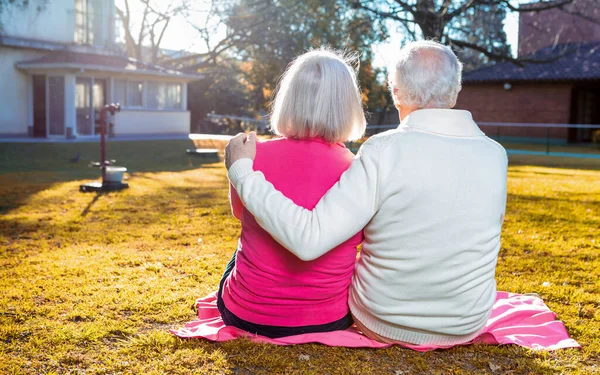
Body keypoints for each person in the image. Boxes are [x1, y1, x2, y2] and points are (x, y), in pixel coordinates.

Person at [225, 40, 508, 346]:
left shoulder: (382, 151)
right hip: (467, 323)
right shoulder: (496, 154)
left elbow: (308, 240)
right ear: (455, 92)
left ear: (396, 92)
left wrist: (241, 171)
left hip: (383, 320)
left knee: (247, 250)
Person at [217, 49, 366, 338]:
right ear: (348, 106)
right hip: (329, 318)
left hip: (246, 315)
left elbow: (241, 214)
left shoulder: (250, 156)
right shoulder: (359, 170)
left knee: (240, 252)